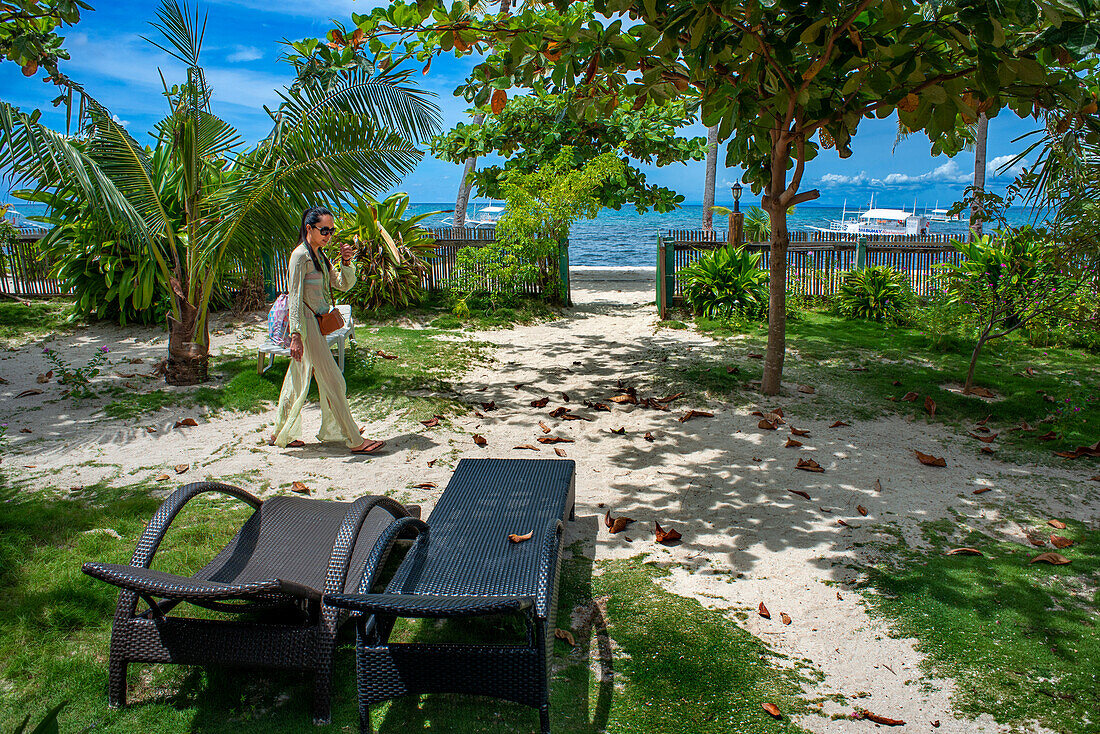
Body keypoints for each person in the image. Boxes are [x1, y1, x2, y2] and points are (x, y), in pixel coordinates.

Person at [269, 206, 384, 453]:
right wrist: (296, 336)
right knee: (334, 381)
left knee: (296, 379)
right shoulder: (300, 256)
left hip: (317, 324)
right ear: (308, 228)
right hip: (307, 326)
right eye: (324, 230)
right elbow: (295, 298)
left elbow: (343, 285)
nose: (328, 235)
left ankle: (281, 433)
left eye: (331, 231)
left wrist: (346, 261)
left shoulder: (319, 256)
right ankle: (354, 439)